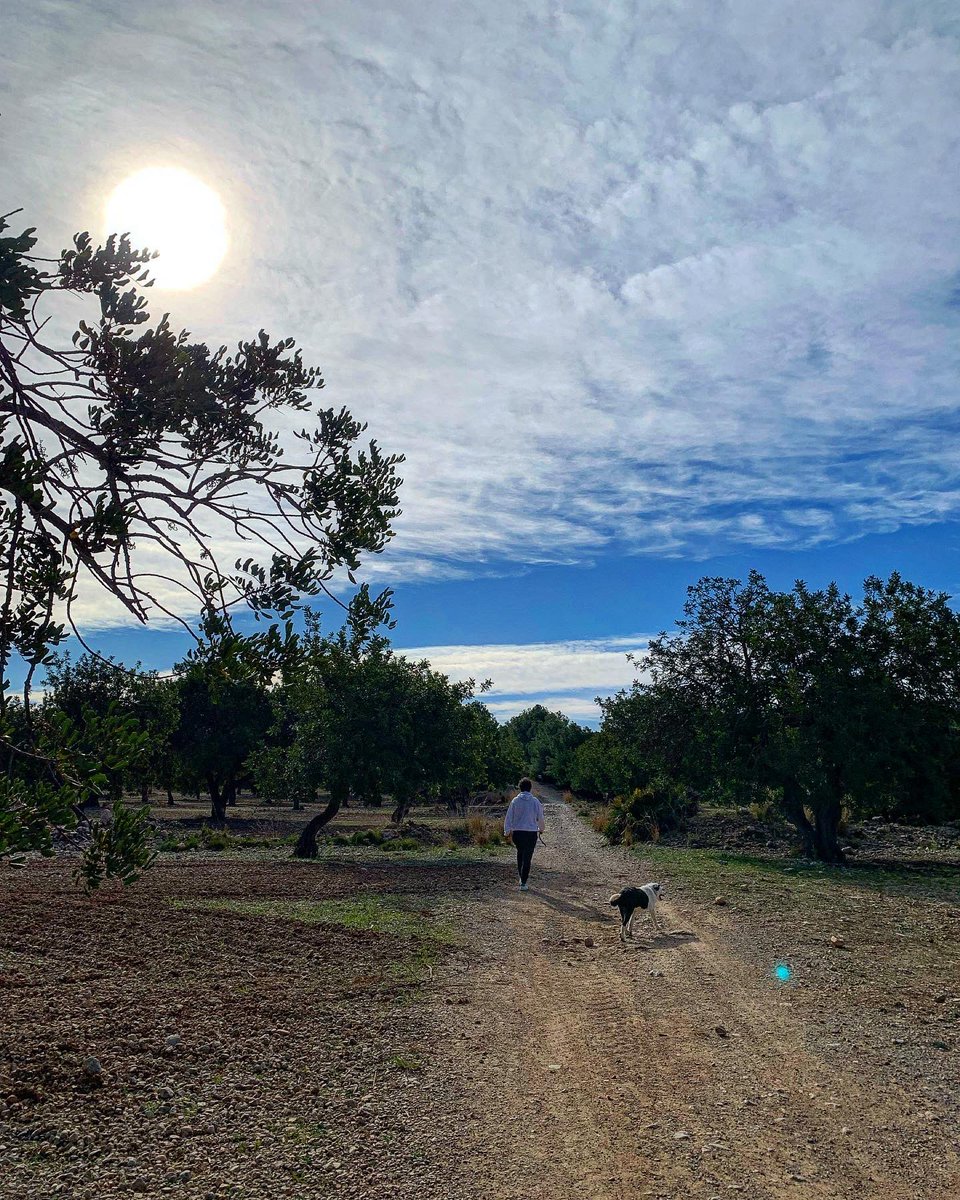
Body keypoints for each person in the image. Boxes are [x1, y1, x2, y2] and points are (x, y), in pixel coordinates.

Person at [503, 777, 545, 892]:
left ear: (519, 788)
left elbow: (509, 817)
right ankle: (524, 882)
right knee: (528, 857)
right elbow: (540, 817)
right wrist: (541, 829)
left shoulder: (515, 801)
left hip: (518, 832)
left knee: (520, 854)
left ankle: (521, 877)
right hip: (531, 833)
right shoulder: (535, 801)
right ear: (530, 788)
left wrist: (507, 831)